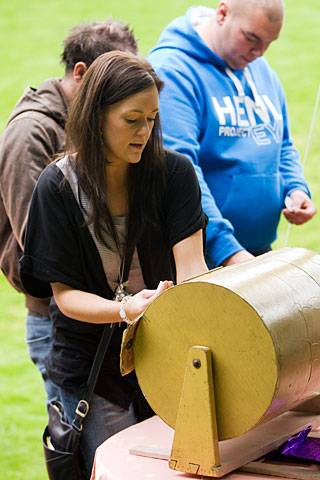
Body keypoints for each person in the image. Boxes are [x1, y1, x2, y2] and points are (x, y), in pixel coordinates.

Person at [19, 51, 208, 477]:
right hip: (93, 370)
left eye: (153, 119)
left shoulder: (174, 173)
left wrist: (191, 307)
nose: (146, 131)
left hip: (170, 361)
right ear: (96, 115)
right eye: (132, 119)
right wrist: (126, 310)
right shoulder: (58, 186)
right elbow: (65, 298)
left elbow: (193, 267)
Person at [0, 19, 138, 405]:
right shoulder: (31, 134)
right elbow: (39, 245)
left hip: (105, 312)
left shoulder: (92, 124)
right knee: (75, 443)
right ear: (82, 73)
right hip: (57, 322)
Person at [148, 0, 316, 268]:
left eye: (269, 43)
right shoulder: (173, 71)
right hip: (205, 261)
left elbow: (280, 141)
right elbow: (181, 173)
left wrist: (295, 188)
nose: (260, 52)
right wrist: (227, 251)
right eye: (252, 38)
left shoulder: (259, 68)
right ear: (223, 13)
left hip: (254, 254)